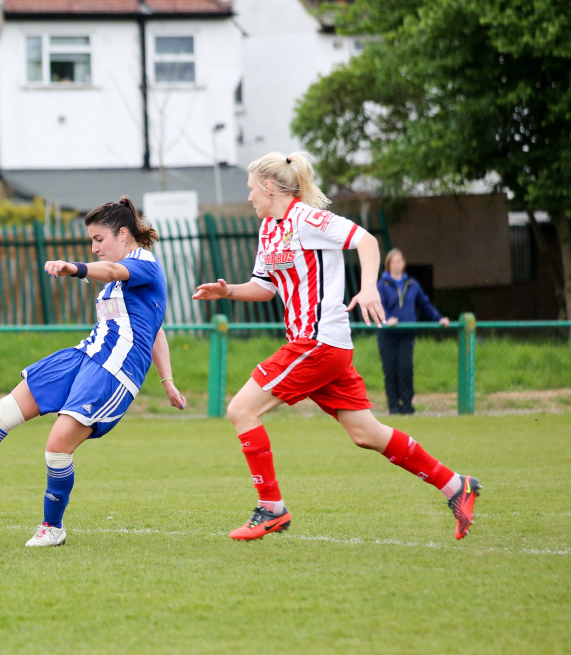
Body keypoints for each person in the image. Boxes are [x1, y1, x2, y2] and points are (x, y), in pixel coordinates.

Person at [192, 152, 481, 541]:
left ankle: (272, 510)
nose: (248, 198)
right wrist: (227, 291)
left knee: (241, 409)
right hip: (317, 345)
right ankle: (455, 485)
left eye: (250, 189)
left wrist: (366, 288)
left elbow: (365, 240)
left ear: (270, 187)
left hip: (318, 342)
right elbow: (265, 287)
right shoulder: (268, 230)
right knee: (365, 432)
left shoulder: (306, 218)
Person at [0, 197, 186, 547]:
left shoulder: (142, 262)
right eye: (91, 241)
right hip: (82, 357)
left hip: (113, 371)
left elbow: (118, 277)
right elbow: (155, 328)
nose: (95, 247)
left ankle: (52, 527)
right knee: (1, 414)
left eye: (99, 239)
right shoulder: (120, 280)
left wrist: (76, 267)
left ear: (122, 234)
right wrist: (168, 381)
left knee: (57, 446)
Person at [377, 248, 450, 414]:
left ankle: (408, 405)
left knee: (405, 368)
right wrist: (387, 319)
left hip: (407, 332)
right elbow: (378, 305)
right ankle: (394, 406)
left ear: (404, 263)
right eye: (393, 262)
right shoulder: (382, 285)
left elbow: (424, 304)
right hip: (388, 334)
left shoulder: (412, 284)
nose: (396, 265)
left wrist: (438, 318)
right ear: (389, 265)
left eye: (399, 261)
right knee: (390, 369)